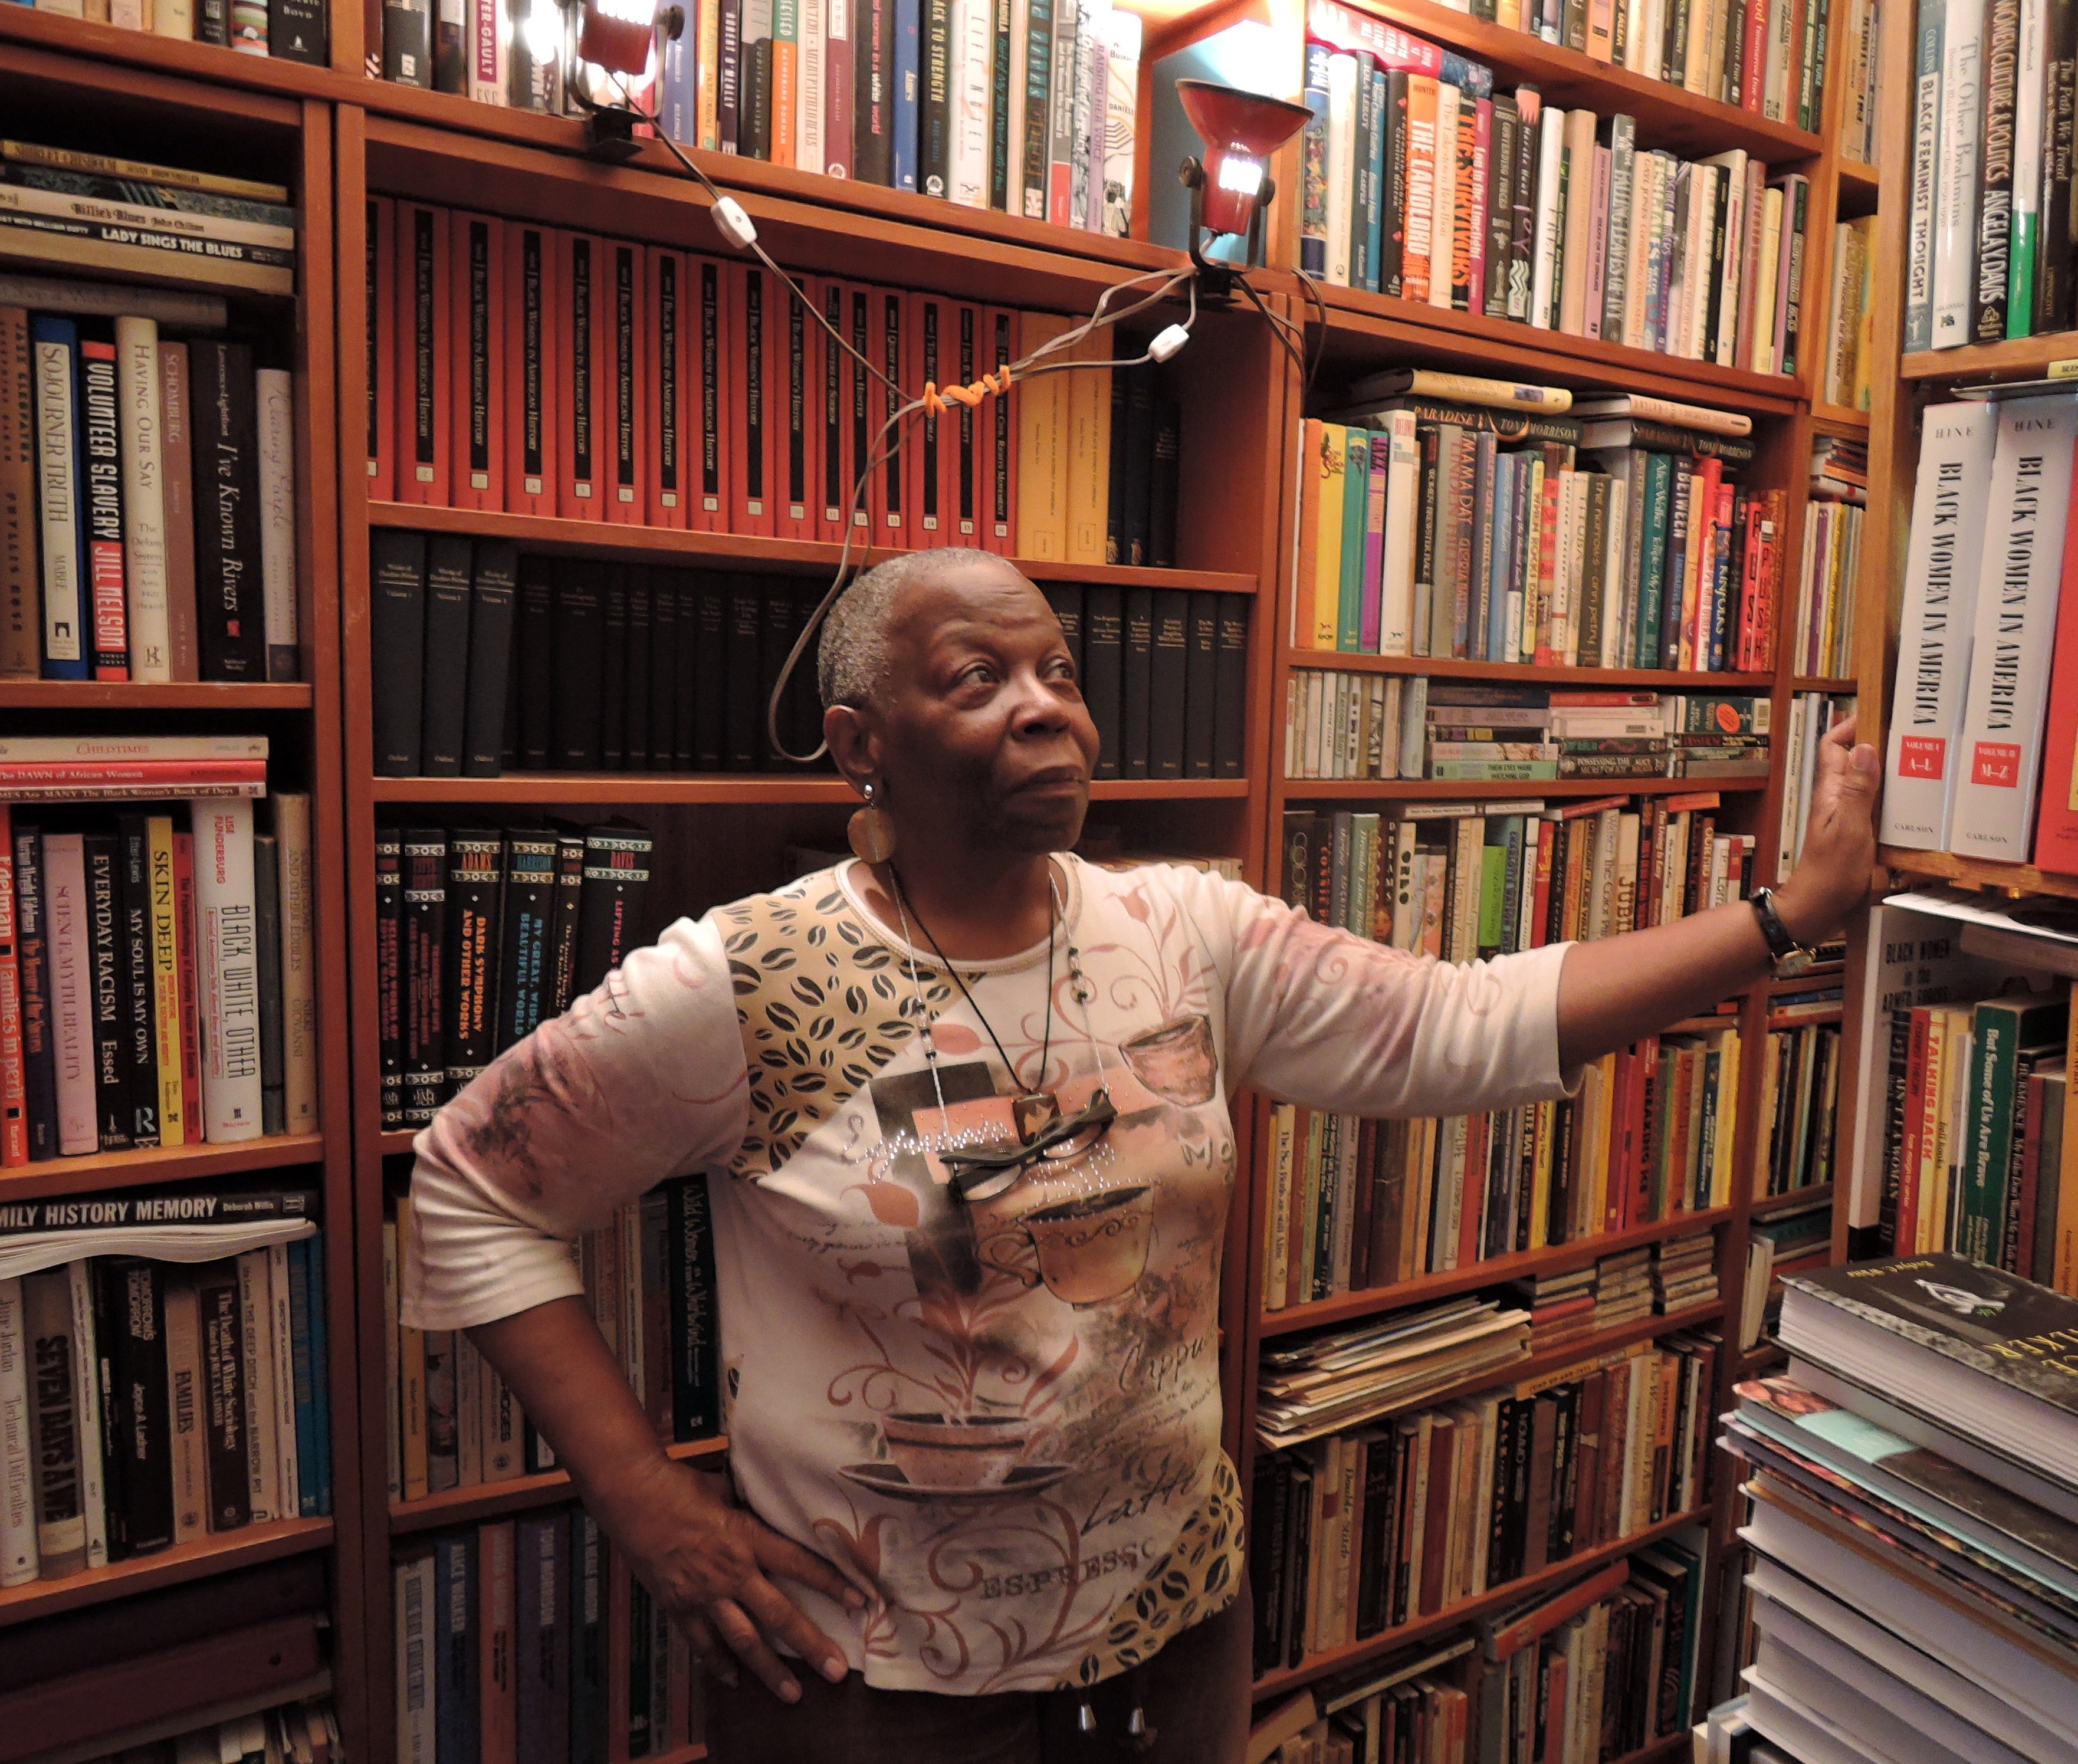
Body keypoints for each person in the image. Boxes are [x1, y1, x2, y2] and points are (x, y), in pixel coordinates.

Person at [403, 546, 1880, 1762]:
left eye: (1057, 672)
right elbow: (468, 1190)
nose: (1046, 709)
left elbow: (1457, 1022)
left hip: (1170, 1637)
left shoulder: (1187, 932)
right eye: (978, 680)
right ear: (861, 743)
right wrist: (650, 1507)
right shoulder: (752, 979)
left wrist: (1783, 919)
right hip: (867, 1681)